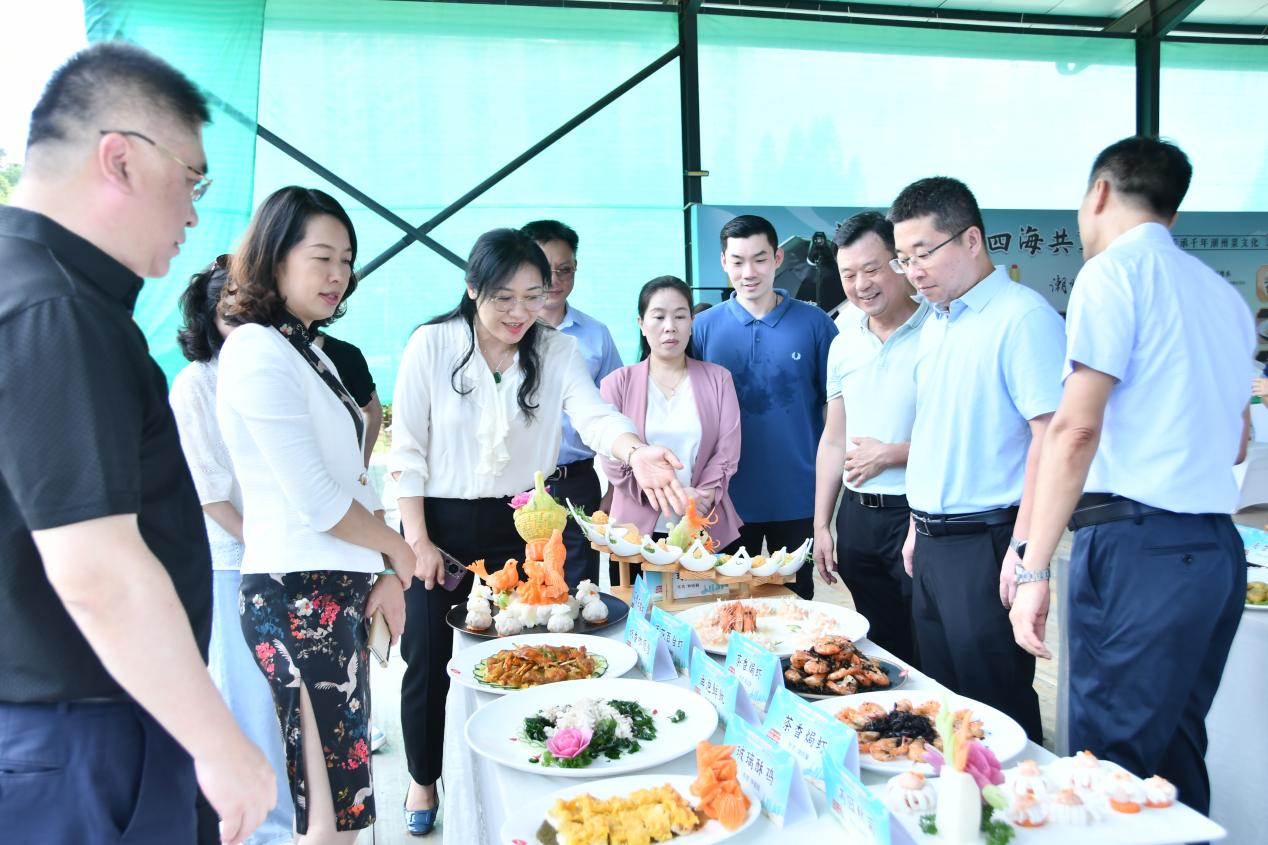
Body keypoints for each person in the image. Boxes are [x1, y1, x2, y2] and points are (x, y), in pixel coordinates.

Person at [0, 42, 275, 844]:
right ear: (118, 159)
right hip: (82, 731)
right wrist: (221, 742)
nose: (193, 213)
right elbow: (98, 569)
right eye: (192, 179)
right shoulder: (56, 309)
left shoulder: (37, 287)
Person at [389, 228, 687, 835]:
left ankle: (529, 762)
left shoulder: (555, 350)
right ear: (472, 288)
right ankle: (423, 778)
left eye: (533, 296)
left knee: (529, 653)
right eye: (504, 297)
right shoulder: (433, 343)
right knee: (427, 655)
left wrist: (636, 451)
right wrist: (416, 540)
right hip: (439, 526)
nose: (520, 312)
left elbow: (593, 415)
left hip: (525, 527)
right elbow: (408, 450)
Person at [1010, 137, 1255, 815]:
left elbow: (1075, 430)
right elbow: (1239, 435)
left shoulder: (1112, 273)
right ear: (1172, 210)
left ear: (1100, 193)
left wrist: (1033, 567)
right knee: (1174, 749)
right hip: (1215, 551)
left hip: (1137, 550)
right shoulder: (1223, 296)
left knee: (1107, 763)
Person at [217, 186, 416, 843]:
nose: (339, 275)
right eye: (323, 258)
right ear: (275, 258)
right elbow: (318, 499)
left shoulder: (309, 349)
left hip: (334, 587)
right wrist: (397, 548)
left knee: (345, 805)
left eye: (347, 260)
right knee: (328, 811)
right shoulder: (256, 349)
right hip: (296, 592)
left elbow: (351, 478)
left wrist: (381, 566)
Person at [890, 177, 1065, 743]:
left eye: (923, 253)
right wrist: (916, 525)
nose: (913, 271)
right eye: (903, 258)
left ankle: (1018, 796)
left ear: (970, 240)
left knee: (996, 708)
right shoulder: (937, 322)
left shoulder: (1022, 318)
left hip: (988, 544)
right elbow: (937, 431)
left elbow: (1051, 439)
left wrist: (1025, 551)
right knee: (944, 705)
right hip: (932, 544)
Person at [170, 257, 295, 845]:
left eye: (254, 311)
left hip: (293, 557)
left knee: (294, 702)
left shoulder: (282, 368)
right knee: (250, 703)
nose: (243, 325)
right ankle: (266, 831)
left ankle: (299, 823)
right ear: (209, 316)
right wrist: (271, 546)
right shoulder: (196, 383)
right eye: (230, 313)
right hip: (236, 562)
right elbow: (210, 495)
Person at [692, 214, 838, 599]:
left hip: (798, 498)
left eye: (759, 259)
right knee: (725, 605)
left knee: (794, 606)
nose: (748, 272)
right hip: (724, 501)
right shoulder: (703, 328)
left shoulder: (816, 325)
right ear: (723, 262)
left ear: (777, 258)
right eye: (737, 261)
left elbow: (835, 412)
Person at [812, 212, 928, 667]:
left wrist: (892, 454)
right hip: (859, 519)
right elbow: (833, 439)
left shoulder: (937, 331)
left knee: (929, 646)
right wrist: (823, 524)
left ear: (899, 262)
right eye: (849, 274)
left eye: (872, 269)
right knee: (878, 648)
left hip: (918, 514)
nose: (861, 284)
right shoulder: (843, 343)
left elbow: (962, 437)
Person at [599, 276, 743, 580]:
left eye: (679, 316)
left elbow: (727, 451)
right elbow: (612, 458)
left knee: (705, 608)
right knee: (636, 607)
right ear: (641, 323)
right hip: (636, 533)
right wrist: (669, 494)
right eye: (658, 316)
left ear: (691, 323)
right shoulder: (617, 383)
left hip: (704, 523)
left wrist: (703, 496)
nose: (670, 326)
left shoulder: (719, 379)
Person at [521, 220, 623, 586]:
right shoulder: (507, 333)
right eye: (544, 271)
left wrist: (614, 490)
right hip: (517, 484)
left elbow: (615, 412)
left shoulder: (595, 335)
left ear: (575, 268)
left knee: (579, 588)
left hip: (575, 481)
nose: (554, 280)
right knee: (520, 585)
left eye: (564, 270)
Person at [312, 331, 382, 469]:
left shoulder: (346, 354)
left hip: (337, 469)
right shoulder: (272, 352)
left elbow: (372, 409)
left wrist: (361, 465)